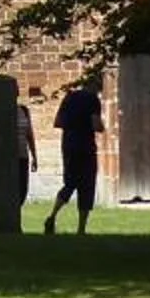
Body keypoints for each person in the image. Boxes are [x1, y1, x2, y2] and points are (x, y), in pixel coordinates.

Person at [48, 74, 104, 233]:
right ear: (95, 86)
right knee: (87, 185)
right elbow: (96, 125)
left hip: (68, 146)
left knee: (70, 183)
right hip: (85, 147)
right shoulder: (93, 100)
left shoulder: (69, 97)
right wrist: (101, 126)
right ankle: (81, 228)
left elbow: (58, 122)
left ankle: (52, 216)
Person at [12, 85, 41, 210]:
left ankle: (16, 214)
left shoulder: (24, 110)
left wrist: (34, 157)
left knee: (23, 189)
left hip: (23, 155)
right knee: (12, 190)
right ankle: (11, 216)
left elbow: (29, 135)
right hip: (10, 158)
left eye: (16, 90)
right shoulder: (3, 112)